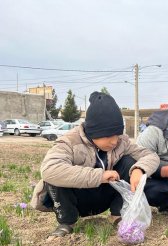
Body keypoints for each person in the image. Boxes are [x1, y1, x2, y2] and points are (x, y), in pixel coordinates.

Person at [31, 92, 160, 237]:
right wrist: (100, 175)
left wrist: (139, 169)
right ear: (92, 131)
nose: (114, 141)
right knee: (56, 176)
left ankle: (117, 215)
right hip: (78, 200)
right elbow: (49, 170)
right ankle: (67, 222)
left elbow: (151, 156)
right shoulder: (69, 142)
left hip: (103, 197)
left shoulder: (121, 142)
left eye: (117, 134)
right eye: (108, 136)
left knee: (128, 162)